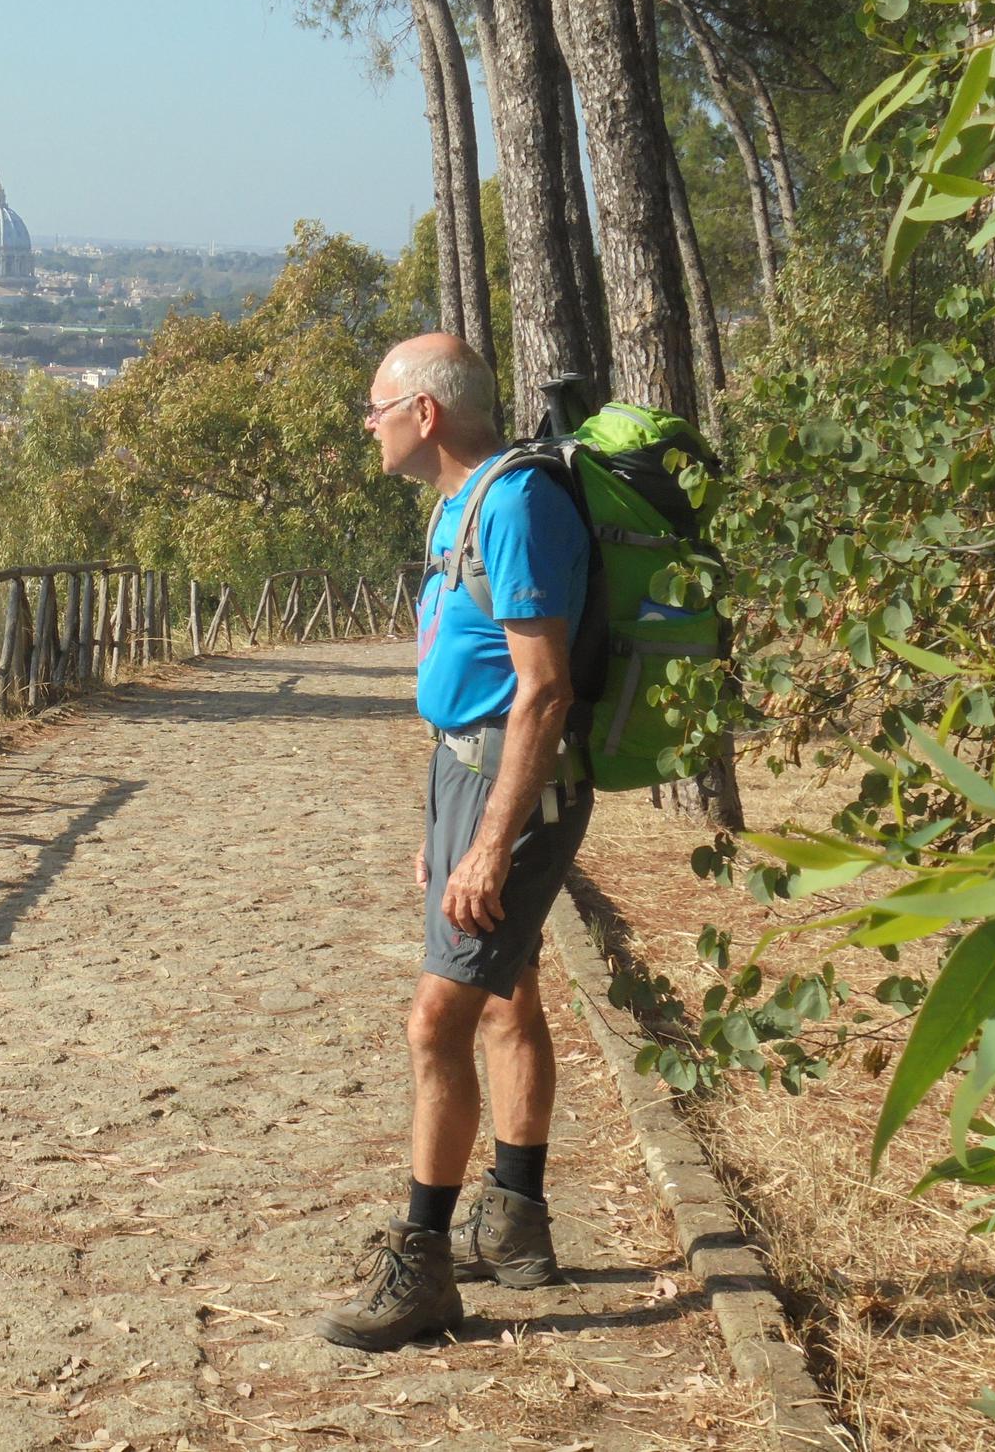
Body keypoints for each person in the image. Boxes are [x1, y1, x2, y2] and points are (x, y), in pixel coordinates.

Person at [316, 332, 595, 1353]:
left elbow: (543, 689)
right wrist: (446, 831)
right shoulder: (460, 503)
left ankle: (422, 1265)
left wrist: (486, 845)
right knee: (504, 994)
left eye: (375, 406)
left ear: (423, 414)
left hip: (506, 782)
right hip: (464, 773)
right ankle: (514, 1228)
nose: (368, 423)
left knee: (435, 1023)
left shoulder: (513, 505)